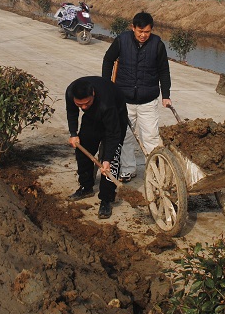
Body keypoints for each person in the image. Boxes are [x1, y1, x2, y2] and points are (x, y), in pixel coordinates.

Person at [102, 11, 171, 182]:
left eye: (147, 32)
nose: (143, 35)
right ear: (133, 28)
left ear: (151, 30)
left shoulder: (157, 45)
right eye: (140, 31)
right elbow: (108, 60)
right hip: (123, 100)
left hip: (148, 101)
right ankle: (128, 169)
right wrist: (106, 86)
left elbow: (164, 71)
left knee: (151, 136)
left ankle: (156, 172)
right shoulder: (122, 40)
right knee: (124, 136)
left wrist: (166, 95)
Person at [65, 76, 128, 219]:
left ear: (93, 94)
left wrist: (107, 159)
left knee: (110, 163)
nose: (83, 107)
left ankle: (106, 199)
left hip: (116, 120)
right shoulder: (70, 92)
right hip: (92, 119)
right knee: (82, 149)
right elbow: (72, 112)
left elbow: (113, 134)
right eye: (80, 105)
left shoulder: (107, 103)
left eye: (86, 103)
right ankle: (86, 187)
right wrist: (73, 133)